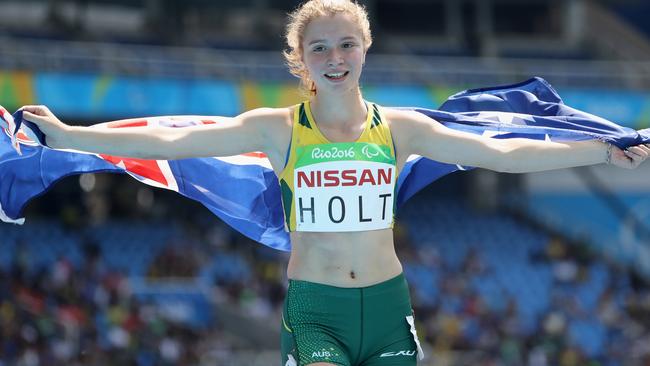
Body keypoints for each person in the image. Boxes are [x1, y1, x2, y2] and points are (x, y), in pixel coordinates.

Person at [17, 0, 650, 365]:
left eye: (346, 44)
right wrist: (73, 136)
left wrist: (597, 151)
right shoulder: (278, 128)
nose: (335, 57)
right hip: (317, 312)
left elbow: (498, 153)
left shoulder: (399, 129)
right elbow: (171, 143)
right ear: (301, 60)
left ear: (365, 49)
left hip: (388, 308)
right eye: (319, 48)